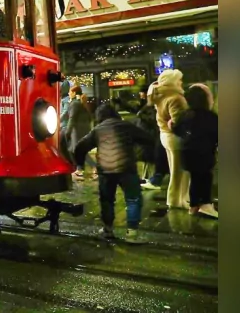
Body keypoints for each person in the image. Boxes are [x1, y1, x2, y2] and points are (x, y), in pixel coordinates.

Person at [74, 104, 154, 243]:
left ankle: (108, 230)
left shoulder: (97, 130)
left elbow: (80, 146)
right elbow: (148, 138)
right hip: (126, 168)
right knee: (133, 199)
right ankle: (132, 234)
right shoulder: (126, 126)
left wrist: (79, 164)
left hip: (105, 170)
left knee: (107, 200)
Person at [173, 84, 219, 218]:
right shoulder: (209, 116)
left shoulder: (186, 114)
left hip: (187, 152)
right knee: (205, 178)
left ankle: (193, 206)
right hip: (204, 153)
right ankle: (206, 204)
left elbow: (177, 129)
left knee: (195, 178)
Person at [149, 69, 190, 209]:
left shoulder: (160, 95)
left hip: (165, 135)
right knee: (180, 172)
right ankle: (178, 200)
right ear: (172, 81)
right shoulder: (175, 97)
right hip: (175, 136)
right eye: (179, 79)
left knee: (174, 170)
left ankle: (174, 199)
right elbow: (178, 120)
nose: (181, 82)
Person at [66, 88, 94, 180]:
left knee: (78, 150)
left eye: (70, 92)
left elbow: (72, 118)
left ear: (74, 93)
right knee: (73, 149)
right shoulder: (80, 103)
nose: (68, 93)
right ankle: (79, 169)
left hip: (77, 131)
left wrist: (68, 131)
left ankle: (93, 167)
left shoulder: (75, 104)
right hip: (82, 129)